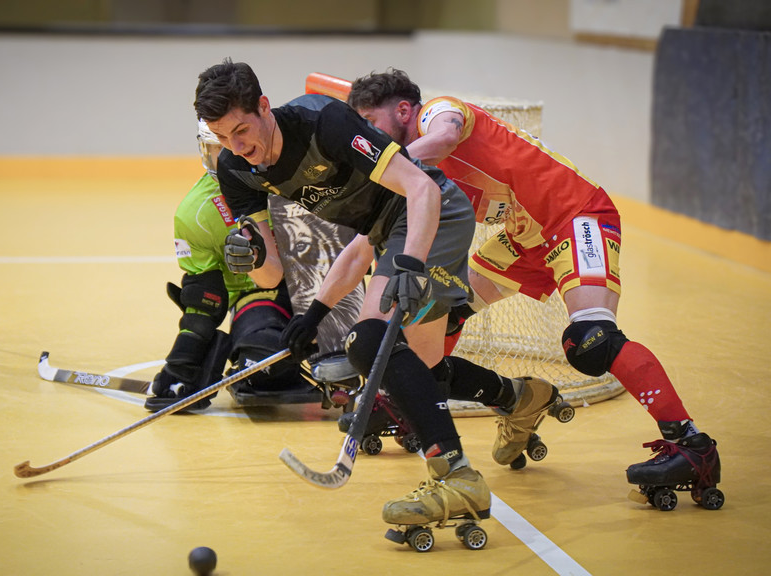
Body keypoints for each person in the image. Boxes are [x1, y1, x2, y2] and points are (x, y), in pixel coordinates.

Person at [347, 68, 722, 502]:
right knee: (441, 317)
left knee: (592, 339)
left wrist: (385, 167)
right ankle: (486, 401)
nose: (371, 136)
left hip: (574, 216)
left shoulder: (438, 113)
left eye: (372, 122)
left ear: (403, 110)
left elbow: (447, 136)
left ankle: (691, 445)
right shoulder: (421, 173)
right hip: (524, 237)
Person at [194, 59, 528, 529]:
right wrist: (265, 269)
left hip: (431, 214)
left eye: (241, 130)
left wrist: (411, 265)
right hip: (382, 232)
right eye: (222, 137)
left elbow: (421, 188)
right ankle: (520, 398)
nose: (236, 146)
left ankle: (458, 479)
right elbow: (270, 275)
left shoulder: (323, 122)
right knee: (422, 370)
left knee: (369, 341)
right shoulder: (236, 168)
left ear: (264, 107)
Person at [144, 121, 314, 412]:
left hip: (320, 282)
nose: (229, 156)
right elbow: (205, 296)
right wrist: (186, 356)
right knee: (263, 359)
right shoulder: (195, 214)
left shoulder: (295, 180)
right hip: (259, 293)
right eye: (218, 148)